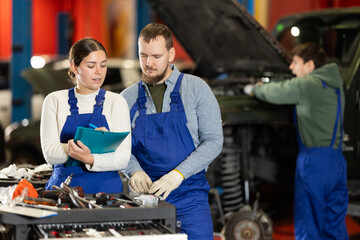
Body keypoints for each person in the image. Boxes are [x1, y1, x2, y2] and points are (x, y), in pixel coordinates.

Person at [120, 23, 223, 239]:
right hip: (145, 199)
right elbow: (120, 146)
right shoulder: (126, 98)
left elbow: (213, 141)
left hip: (189, 196)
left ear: (171, 54)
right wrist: (134, 170)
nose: (148, 63)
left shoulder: (197, 89)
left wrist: (177, 175)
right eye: (143, 55)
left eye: (156, 56)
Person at [245, 42, 348, 239]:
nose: (291, 68)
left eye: (295, 62)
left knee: (308, 222)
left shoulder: (307, 84)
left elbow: (277, 91)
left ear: (310, 65)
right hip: (336, 162)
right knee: (333, 221)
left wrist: (253, 89)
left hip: (314, 163)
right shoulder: (336, 85)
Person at [40, 37, 131, 194]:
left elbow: (122, 158)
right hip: (64, 191)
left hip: (107, 192)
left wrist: (90, 159)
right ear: (74, 67)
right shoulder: (55, 100)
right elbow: (50, 154)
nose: (99, 72)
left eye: (103, 65)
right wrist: (96, 146)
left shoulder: (117, 102)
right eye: (91, 66)